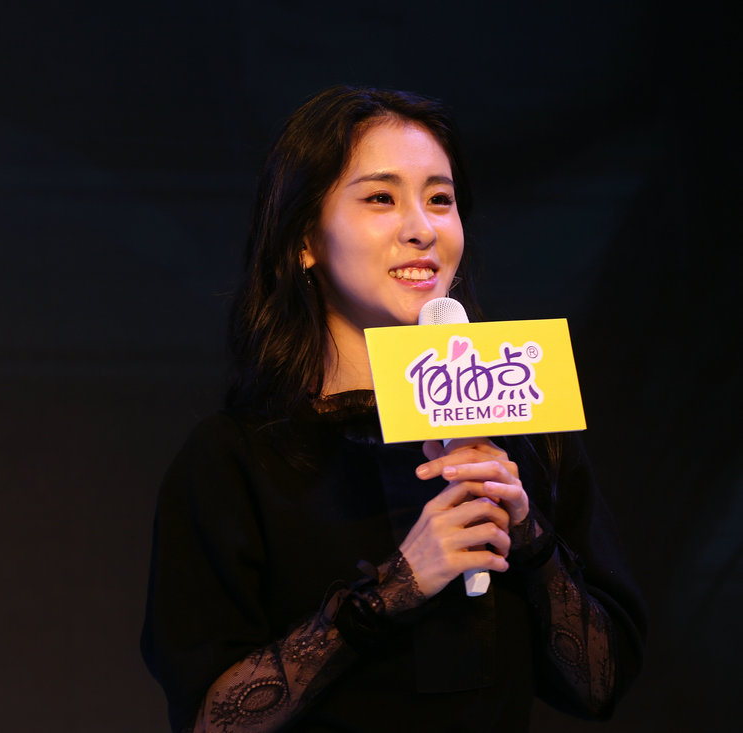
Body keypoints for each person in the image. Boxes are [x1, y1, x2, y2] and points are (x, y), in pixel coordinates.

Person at [140, 85, 646, 732]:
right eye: (381, 198)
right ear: (304, 238)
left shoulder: (526, 430)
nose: (422, 229)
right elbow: (211, 718)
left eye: (440, 199)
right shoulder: (236, 458)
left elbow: (602, 685)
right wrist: (392, 590)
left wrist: (529, 538)